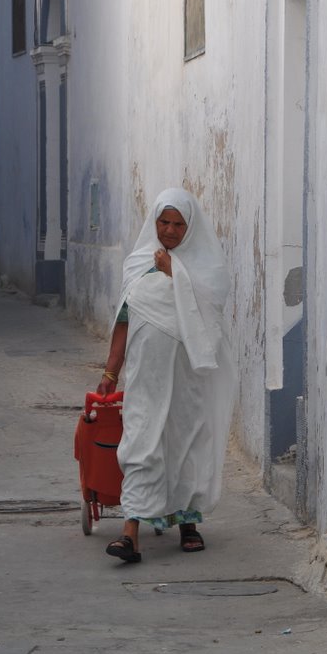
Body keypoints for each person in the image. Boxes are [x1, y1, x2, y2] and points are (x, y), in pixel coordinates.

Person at [98, 187, 236, 564]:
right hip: (147, 375)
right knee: (142, 439)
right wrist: (111, 371)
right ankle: (131, 532)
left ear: (190, 227)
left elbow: (212, 308)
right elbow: (123, 322)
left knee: (185, 440)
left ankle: (188, 523)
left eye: (178, 224)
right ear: (153, 222)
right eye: (164, 222)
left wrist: (175, 272)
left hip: (189, 376)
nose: (170, 231)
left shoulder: (205, 266)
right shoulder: (139, 263)